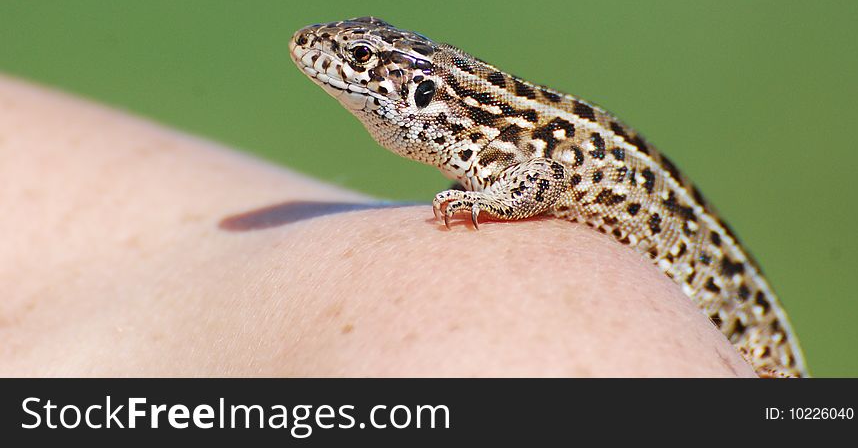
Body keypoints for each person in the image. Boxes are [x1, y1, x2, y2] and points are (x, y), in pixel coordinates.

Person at [0, 74, 753, 377]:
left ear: (423, 93)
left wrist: (492, 203)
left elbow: (556, 175)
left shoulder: (515, 144)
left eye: (363, 60)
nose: (334, 65)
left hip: (744, 335)